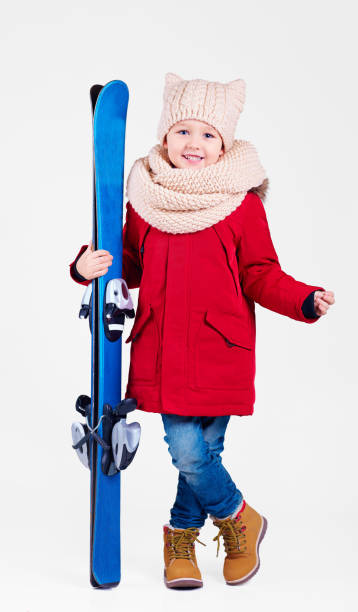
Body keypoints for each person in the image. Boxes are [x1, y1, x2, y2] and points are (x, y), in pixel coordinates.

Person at [69, 73, 335, 589]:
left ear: (226, 143)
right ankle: (240, 518)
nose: (195, 144)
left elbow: (260, 273)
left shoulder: (242, 204)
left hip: (222, 348)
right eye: (183, 132)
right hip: (165, 348)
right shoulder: (148, 201)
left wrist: (303, 298)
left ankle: (181, 542)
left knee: (200, 453)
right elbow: (126, 263)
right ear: (165, 136)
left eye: (209, 135)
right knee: (189, 450)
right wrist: (86, 266)